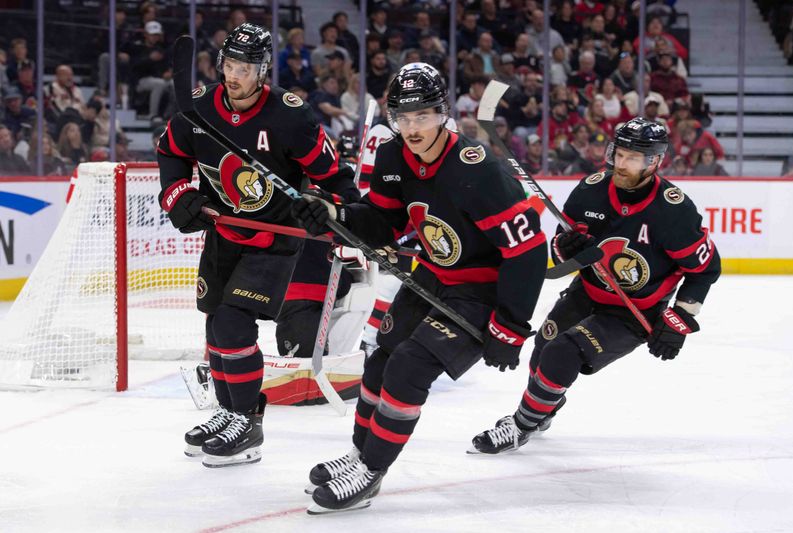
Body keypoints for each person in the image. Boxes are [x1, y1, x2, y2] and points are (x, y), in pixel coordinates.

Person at [292, 62, 548, 513]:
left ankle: (371, 472)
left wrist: (510, 326)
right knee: (380, 360)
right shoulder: (393, 156)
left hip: (480, 292)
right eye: (403, 118)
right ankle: (359, 454)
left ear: (442, 114)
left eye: (422, 117)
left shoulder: (480, 170)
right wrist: (335, 215)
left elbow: (527, 252)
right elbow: (382, 222)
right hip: (432, 276)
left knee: (408, 368)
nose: (411, 128)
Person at [156, 23, 358, 468]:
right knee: (214, 325)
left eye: (245, 67)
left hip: (273, 240)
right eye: (229, 64)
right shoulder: (200, 107)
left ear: (263, 70)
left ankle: (247, 423)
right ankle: (228, 411)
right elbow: (171, 151)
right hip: (224, 233)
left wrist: (321, 204)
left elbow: (339, 181)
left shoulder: (291, 115)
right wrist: (179, 195)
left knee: (232, 323)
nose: (234, 75)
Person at [469, 117, 721, 455]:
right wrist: (568, 248)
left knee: (563, 352)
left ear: (655, 162)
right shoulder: (592, 190)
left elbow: (706, 268)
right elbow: (560, 246)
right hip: (587, 291)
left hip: (634, 312)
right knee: (545, 345)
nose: (622, 163)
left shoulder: (672, 210)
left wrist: (679, 320)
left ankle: (521, 425)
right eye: (620, 154)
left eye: (633, 158)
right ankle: (542, 411)